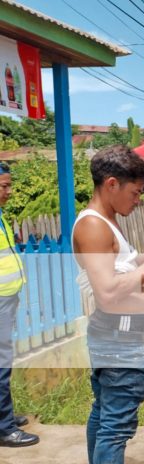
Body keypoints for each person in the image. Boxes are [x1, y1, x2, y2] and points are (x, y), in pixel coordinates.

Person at [72, 145, 144, 464]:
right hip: (117, 337)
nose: (138, 200)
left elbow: (120, 270)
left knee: (105, 415)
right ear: (111, 184)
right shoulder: (93, 226)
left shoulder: (107, 222)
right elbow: (107, 293)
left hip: (117, 335)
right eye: (135, 192)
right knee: (116, 428)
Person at [0, 162, 38, 448]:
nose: (8, 192)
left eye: (9, 185)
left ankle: (5, 416)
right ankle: (4, 428)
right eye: (4, 186)